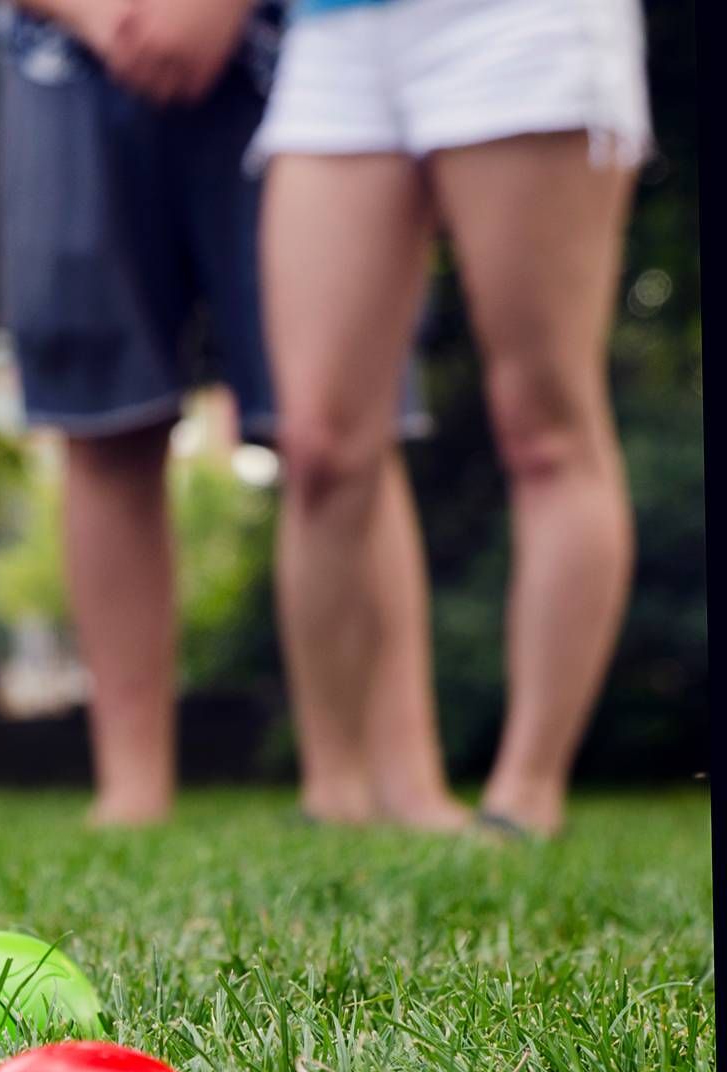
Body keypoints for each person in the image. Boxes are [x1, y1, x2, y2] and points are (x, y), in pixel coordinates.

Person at [0, 0, 464, 829]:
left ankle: (399, 779)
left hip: (286, 47)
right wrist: (101, 18)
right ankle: (132, 789)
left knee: (343, 431)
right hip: (57, 51)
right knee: (103, 424)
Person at [253, 0, 649, 839]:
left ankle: (523, 797)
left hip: (516, 23)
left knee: (544, 425)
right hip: (335, 29)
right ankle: (334, 793)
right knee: (320, 443)